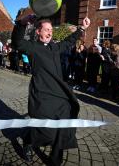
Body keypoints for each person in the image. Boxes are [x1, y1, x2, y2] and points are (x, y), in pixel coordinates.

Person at [11, 15, 90, 165]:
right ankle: (29, 141)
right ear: (38, 32)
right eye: (46, 30)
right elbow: (17, 42)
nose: (50, 32)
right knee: (43, 127)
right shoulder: (32, 47)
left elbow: (68, 41)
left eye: (51, 30)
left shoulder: (55, 47)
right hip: (42, 94)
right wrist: (21, 24)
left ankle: (55, 159)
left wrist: (82, 28)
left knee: (63, 124)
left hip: (59, 94)